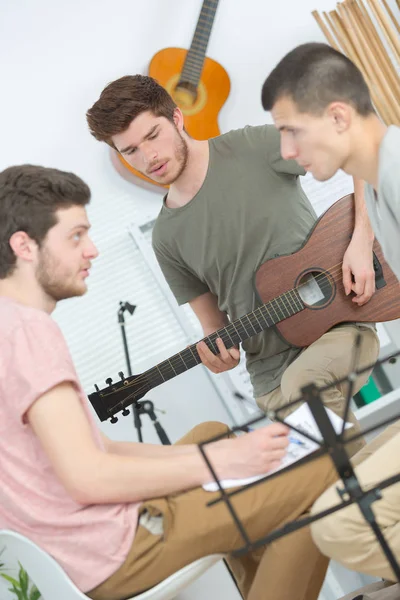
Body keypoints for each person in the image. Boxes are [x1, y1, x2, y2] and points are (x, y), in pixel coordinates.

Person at [0, 163, 340, 600]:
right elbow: (87, 476)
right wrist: (226, 464)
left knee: (212, 435)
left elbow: (96, 450)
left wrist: (223, 452)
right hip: (116, 547)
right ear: (24, 246)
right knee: (330, 459)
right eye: (76, 236)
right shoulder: (27, 331)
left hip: (70, 548)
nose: (93, 251)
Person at [87, 74, 380, 457]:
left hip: (342, 325)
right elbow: (214, 327)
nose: (148, 157)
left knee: (306, 386)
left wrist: (361, 240)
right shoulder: (165, 240)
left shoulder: (253, 145)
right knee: (324, 472)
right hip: (271, 375)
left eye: (152, 135)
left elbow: (361, 143)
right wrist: (219, 356)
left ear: (177, 118)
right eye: (130, 151)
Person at [261, 41, 400, 582]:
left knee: (341, 523)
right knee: (346, 496)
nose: (287, 150)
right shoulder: (381, 179)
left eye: (291, 130)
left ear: (338, 116)